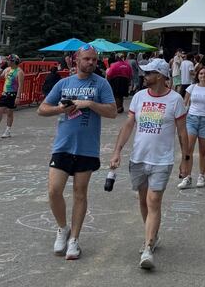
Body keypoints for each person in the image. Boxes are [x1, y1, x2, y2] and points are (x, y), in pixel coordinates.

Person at [38, 44, 117, 260]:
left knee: (79, 193)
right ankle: (62, 228)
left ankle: (74, 239)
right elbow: (42, 109)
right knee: (54, 190)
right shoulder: (64, 83)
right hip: (63, 145)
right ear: (76, 60)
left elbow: (112, 112)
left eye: (94, 59)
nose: (91, 62)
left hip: (87, 148)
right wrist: (59, 109)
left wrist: (90, 104)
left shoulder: (101, 84)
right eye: (87, 59)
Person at [109, 58, 187, 270]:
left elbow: (182, 132)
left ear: (160, 76)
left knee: (154, 201)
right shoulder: (139, 97)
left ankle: (148, 247)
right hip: (138, 158)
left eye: (149, 73)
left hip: (161, 160)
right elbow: (128, 126)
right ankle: (152, 234)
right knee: (143, 201)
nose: (144, 76)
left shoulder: (175, 99)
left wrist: (185, 160)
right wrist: (117, 151)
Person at [178, 66, 205, 189]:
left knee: (203, 151)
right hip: (191, 119)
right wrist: (180, 120)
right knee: (188, 149)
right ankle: (187, 177)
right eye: (201, 73)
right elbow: (184, 104)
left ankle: (201, 175)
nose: (203, 75)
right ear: (197, 75)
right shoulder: (191, 88)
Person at [0, 54, 24, 138]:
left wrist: (18, 97)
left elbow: (20, 85)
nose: (7, 62)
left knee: (9, 113)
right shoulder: (7, 69)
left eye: (9, 60)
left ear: (14, 61)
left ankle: (8, 130)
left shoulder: (19, 72)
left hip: (12, 94)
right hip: (4, 93)